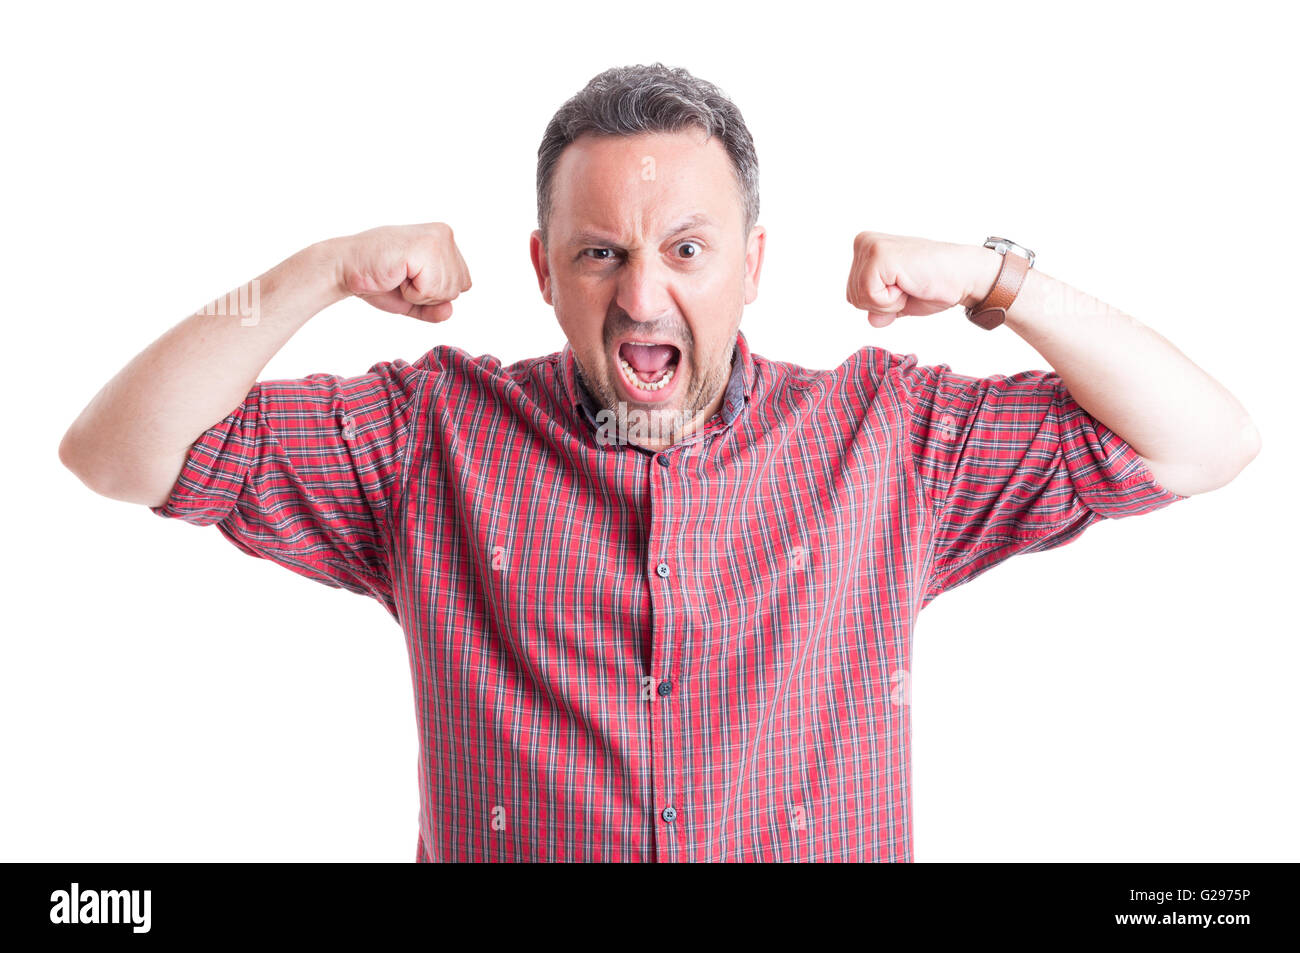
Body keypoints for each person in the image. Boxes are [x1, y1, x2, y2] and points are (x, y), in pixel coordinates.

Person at [58, 63, 1260, 862]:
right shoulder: (425, 439)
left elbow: (1205, 443)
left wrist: (997, 280)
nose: (643, 293)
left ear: (751, 262)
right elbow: (113, 451)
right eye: (598, 253)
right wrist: (319, 268)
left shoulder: (889, 438)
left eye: (687, 247)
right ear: (542, 271)